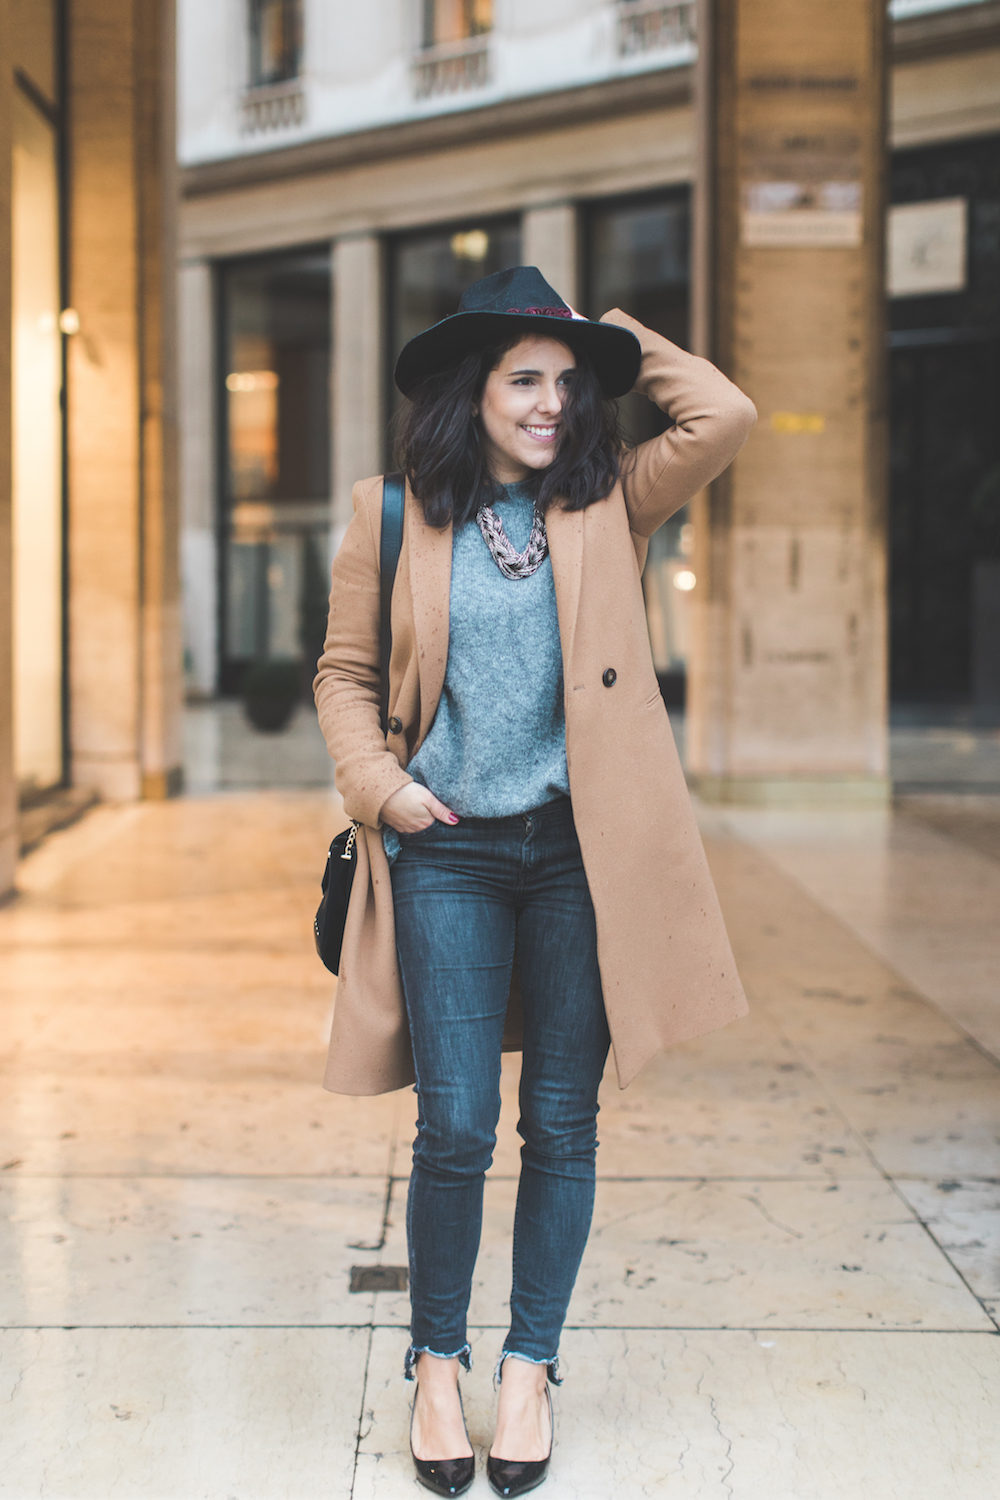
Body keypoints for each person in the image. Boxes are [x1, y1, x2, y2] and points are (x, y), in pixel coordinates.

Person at [314, 265, 756, 1497]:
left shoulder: (611, 503)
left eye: (568, 386)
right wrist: (379, 787)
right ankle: (436, 1365)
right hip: (444, 843)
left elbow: (721, 415)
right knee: (452, 1127)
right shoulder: (390, 514)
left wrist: (602, 335)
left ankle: (528, 1369)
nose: (552, 403)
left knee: (561, 1123)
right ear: (473, 391)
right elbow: (344, 674)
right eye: (524, 378)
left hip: (579, 856)